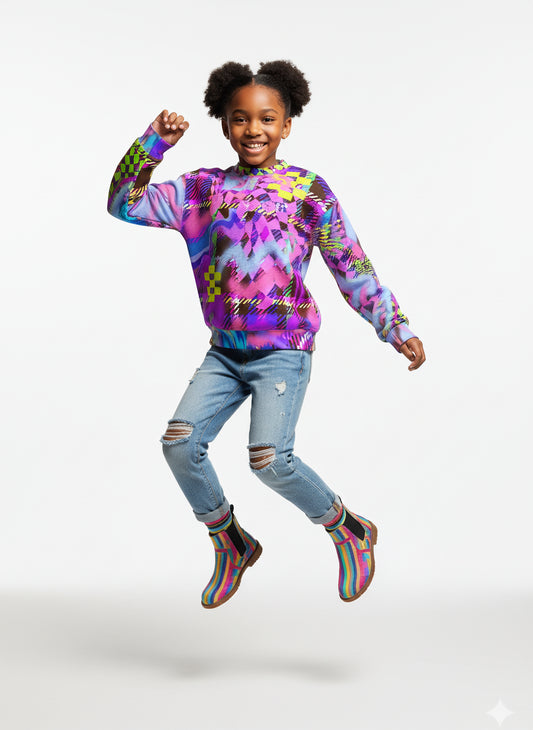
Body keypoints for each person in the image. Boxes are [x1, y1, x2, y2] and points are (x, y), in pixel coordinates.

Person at [107, 59, 426, 609]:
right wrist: (154, 143)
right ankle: (230, 541)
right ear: (224, 125)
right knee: (179, 445)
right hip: (225, 354)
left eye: (267, 118)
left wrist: (393, 325)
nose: (253, 129)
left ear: (287, 124)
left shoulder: (307, 190)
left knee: (270, 460)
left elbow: (351, 265)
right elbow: (123, 203)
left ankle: (349, 529)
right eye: (240, 118)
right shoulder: (201, 191)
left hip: (283, 351)